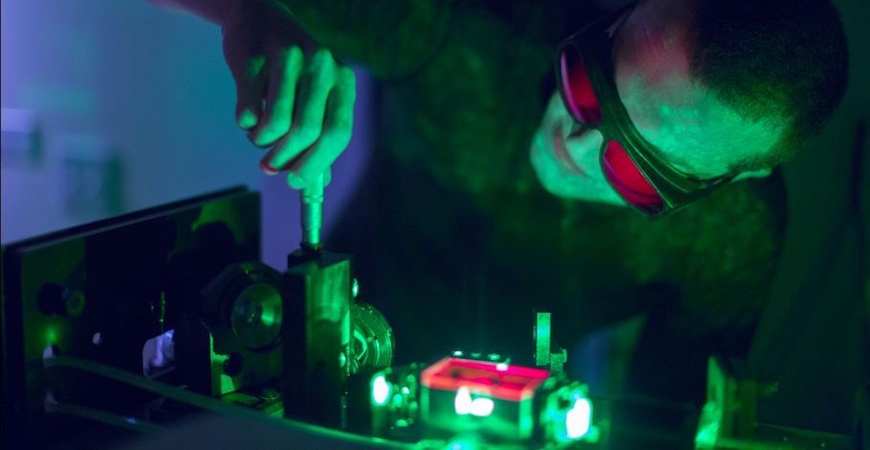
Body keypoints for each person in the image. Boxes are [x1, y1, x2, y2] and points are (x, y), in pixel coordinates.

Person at [150, 0, 849, 402]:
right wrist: (254, 10)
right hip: (335, 383)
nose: (571, 143)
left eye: (636, 168)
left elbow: (663, 422)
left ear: (735, 178)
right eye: (585, 83)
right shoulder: (476, 31)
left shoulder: (734, 234)